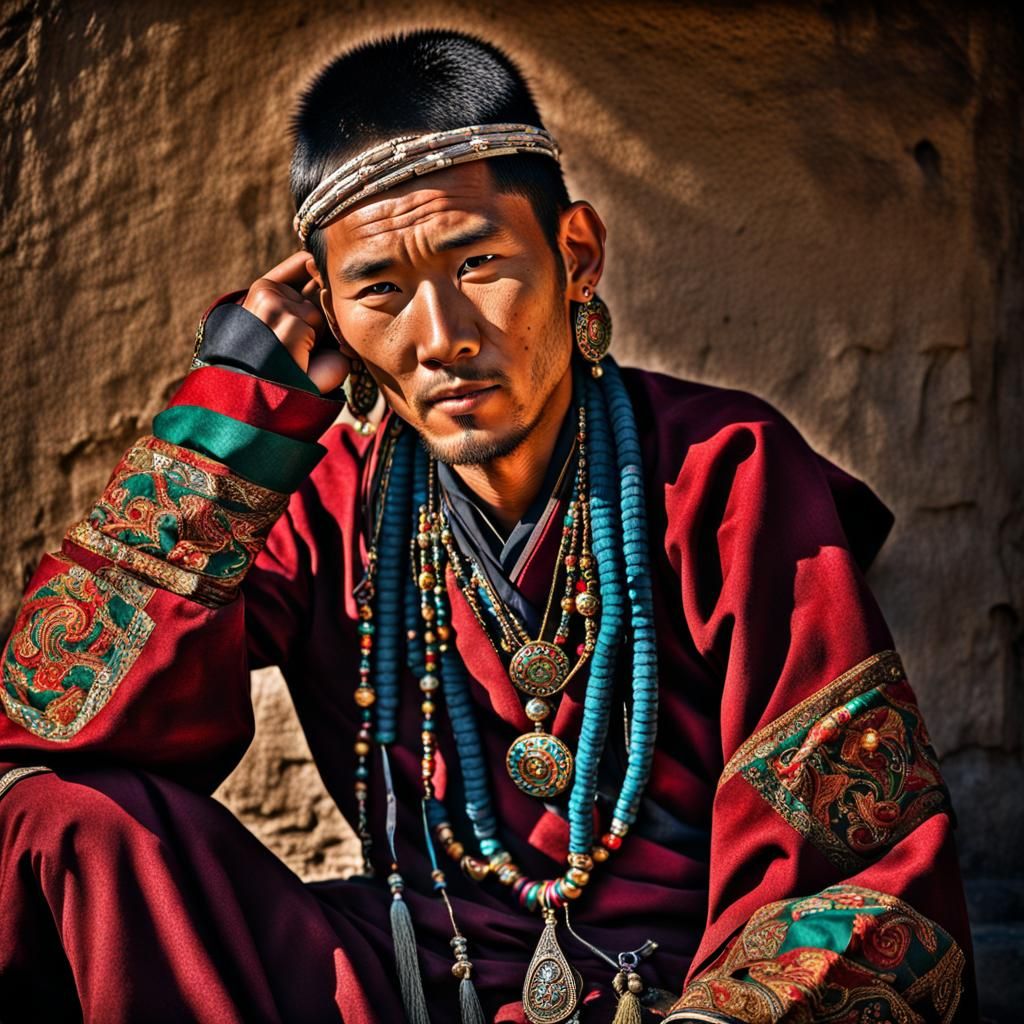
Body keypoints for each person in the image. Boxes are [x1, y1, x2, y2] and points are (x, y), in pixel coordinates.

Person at [0, 29, 975, 1024]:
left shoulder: (722, 471)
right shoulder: (336, 498)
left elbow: (864, 866)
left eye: (479, 262)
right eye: (379, 289)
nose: (439, 337)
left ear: (575, 255)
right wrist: (235, 412)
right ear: (329, 312)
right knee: (55, 816)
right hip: (417, 983)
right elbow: (47, 720)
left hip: (684, 992)